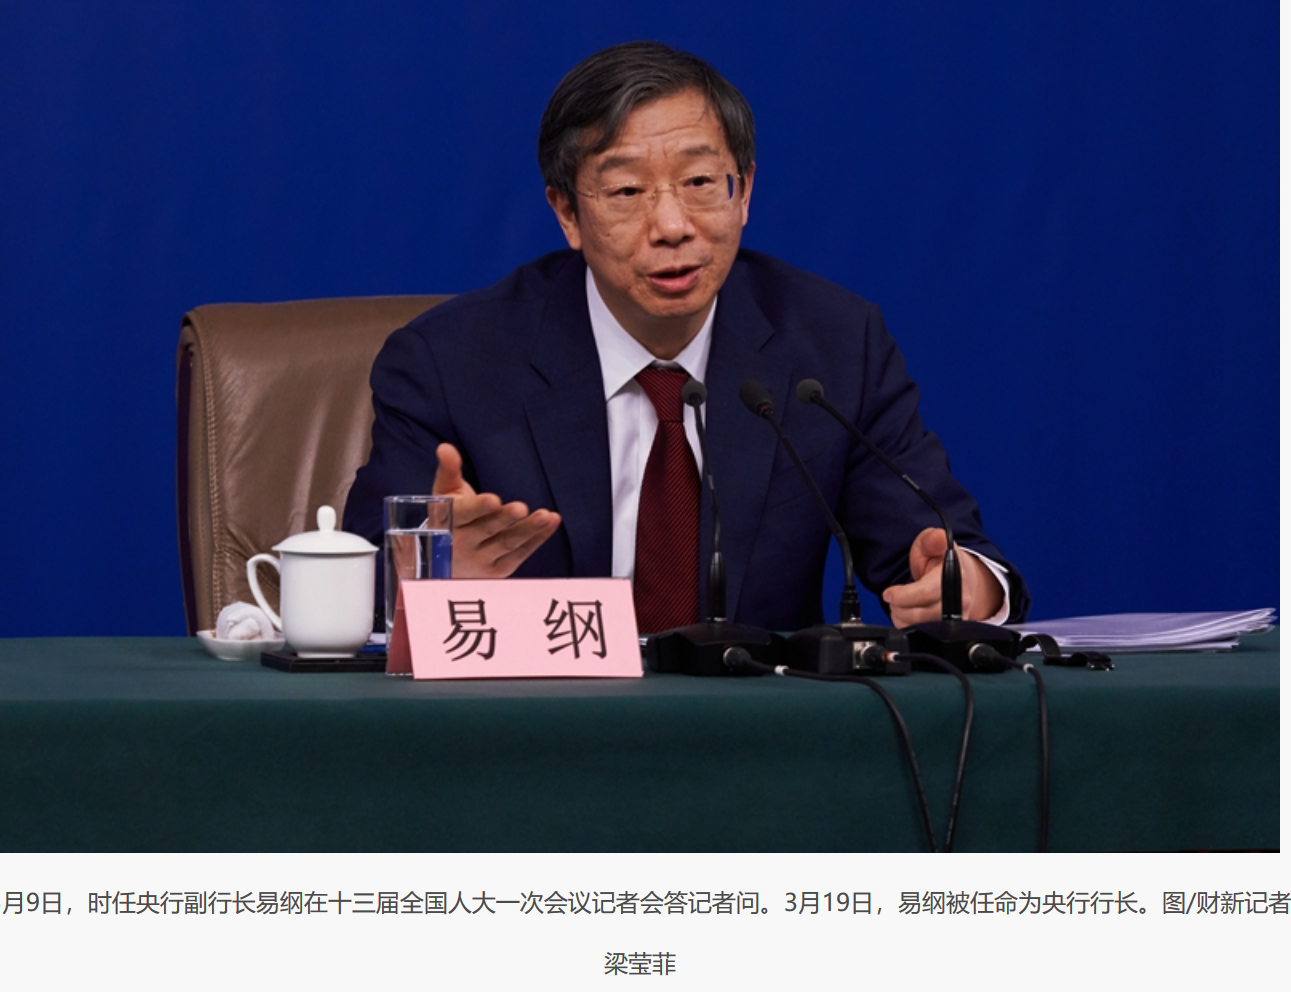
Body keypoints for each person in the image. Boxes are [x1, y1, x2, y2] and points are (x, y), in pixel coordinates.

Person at [343, 41, 1029, 633]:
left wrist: (968, 586)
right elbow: (358, 585)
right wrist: (429, 576)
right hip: (536, 726)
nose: (672, 226)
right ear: (567, 213)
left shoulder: (831, 344)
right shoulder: (451, 361)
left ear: (743, 191)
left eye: (700, 181)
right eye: (626, 192)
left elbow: (939, 547)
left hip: (757, 729)